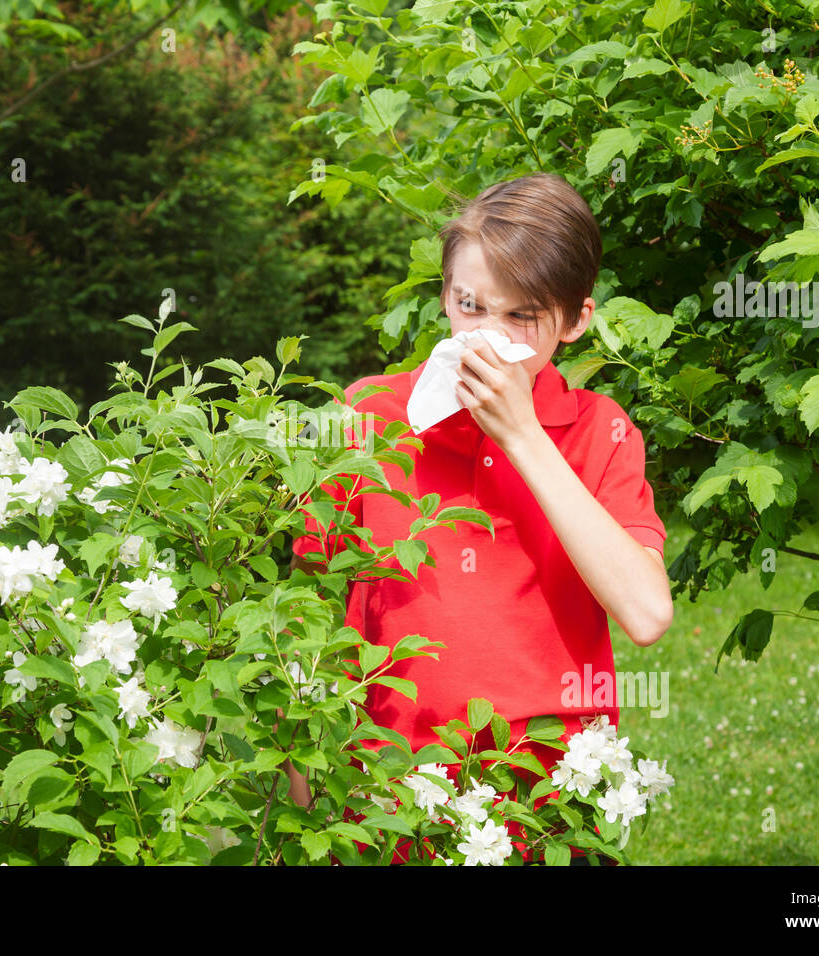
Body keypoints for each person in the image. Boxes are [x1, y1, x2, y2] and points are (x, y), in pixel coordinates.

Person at [286, 172, 672, 864]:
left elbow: (645, 614)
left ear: (578, 319)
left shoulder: (599, 432)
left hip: (549, 809)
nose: (488, 339)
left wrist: (523, 435)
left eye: (523, 317)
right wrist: (306, 817)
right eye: (470, 306)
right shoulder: (369, 417)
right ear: (444, 296)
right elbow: (302, 621)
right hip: (391, 805)